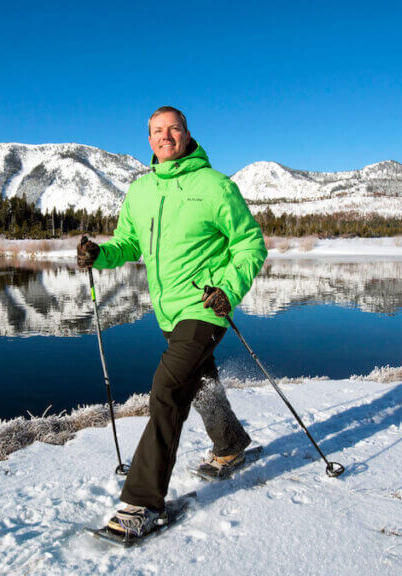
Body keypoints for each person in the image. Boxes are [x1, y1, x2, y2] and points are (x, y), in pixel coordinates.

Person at [77, 106, 267, 538]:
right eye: (157, 131)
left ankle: (141, 504)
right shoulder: (140, 191)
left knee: (167, 389)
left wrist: (228, 289)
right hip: (167, 311)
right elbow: (127, 244)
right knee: (199, 383)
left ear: (187, 135)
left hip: (205, 306)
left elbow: (250, 245)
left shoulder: (215, 186)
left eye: (174, 129)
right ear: (149, 141)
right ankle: (230, 443)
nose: (166, 136)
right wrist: (99, 255)